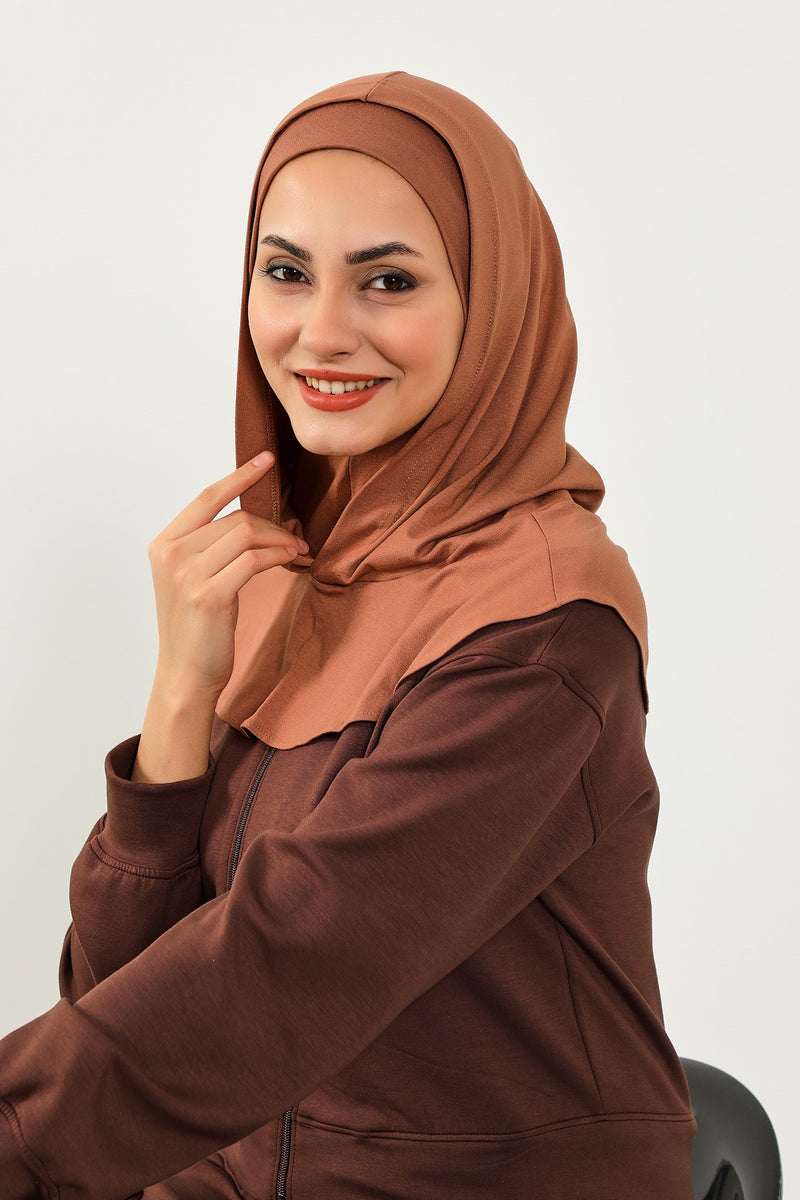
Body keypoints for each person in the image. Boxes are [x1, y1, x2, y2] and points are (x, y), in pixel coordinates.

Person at [0, 71, 696, 1198]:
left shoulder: (544, 630)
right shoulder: (284, 565)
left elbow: (283, 969)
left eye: (388, 280)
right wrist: (179, 695)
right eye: (285, 272)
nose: (321, 332)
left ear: (492, 307)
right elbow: (117, 996)